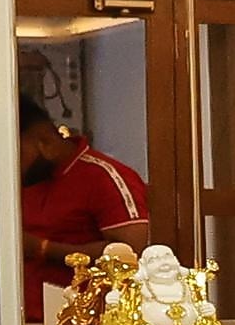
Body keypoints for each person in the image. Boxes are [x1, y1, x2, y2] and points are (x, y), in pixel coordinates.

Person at [19, 115, 153, 310]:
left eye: (19, 153)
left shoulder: (103, 176)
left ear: (45, 143)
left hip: (84, 317)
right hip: (14, 315)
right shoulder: (20, 180)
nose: (14, 163)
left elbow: (129, 253)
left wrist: (43, 248)